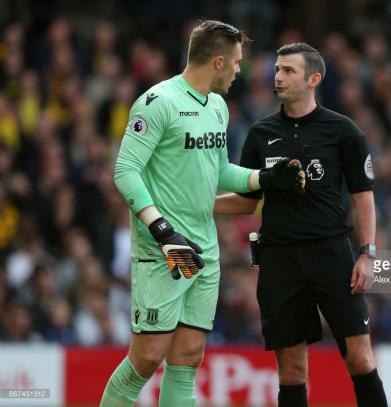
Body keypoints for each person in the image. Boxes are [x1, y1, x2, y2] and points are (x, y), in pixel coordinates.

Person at [101, 20, 304, 407]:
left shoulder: (217, 107)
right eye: (236, 62)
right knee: (145, 358)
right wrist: (161, 230)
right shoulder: (157, 102)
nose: (239, 70)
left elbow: (218, 171)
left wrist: (264, 177)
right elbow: (125, 170)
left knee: (188, 359)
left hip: (204, 252)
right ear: (216, 62)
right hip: (163, 249)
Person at [215, 42, 388, 407]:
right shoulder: (261, 133)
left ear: (313, 79)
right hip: (280, 259)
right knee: (291, 370)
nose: (278, 77)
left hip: (333, 254)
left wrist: (367, 254)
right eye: (277, 69)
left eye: (288, 71)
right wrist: (199, 206)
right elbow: (248, 200)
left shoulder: (343, 131)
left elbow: (363, 196)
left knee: (359, 358)